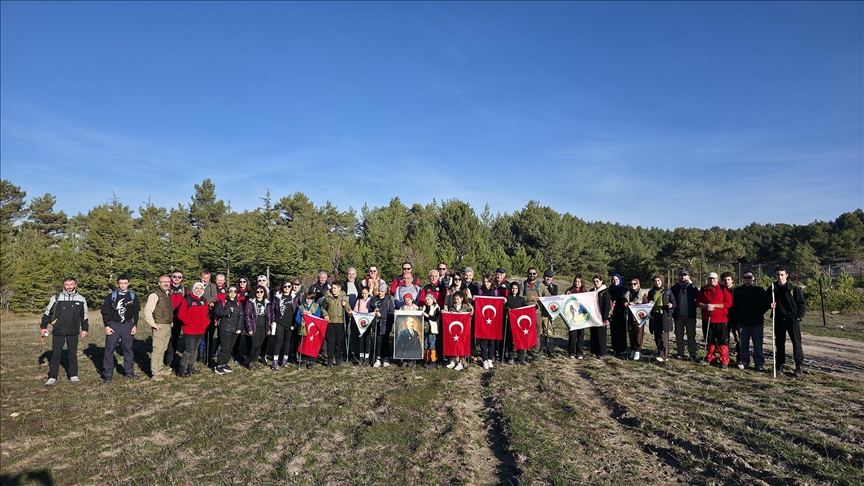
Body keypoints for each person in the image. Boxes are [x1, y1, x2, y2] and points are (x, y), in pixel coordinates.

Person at [41, 277, 89, 386]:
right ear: (64, 285)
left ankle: (73, 375)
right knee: (56, 354)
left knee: (72, 354)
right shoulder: (56, 298)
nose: (69, 287)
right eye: (67, 284)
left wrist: (84, 328)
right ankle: (52, 376)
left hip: (73, 331)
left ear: (75, 285)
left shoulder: (81, 299)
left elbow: (84, 315)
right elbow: (47, 312)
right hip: (58, 330)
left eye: (71, 284)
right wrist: (43, 326)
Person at [101, 274, 141, 382]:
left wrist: (135, 325)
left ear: (129, 283)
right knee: (109, 349)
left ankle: (129, 372)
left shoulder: (133, 296)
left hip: (128, 325)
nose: (123, 285)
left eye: (125, 283)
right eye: (121, 283)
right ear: (118, 283)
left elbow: (136, 312)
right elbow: (104, 312)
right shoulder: (112, 296)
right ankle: (108, 375)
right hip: (114, 325)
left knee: (128, 349)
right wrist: (106, 326)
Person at [769, 265, 807, 377]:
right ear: (775, 275)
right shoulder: (772, 288)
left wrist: (798, 317)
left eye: (782, 274)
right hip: (778, 319)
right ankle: (779, 364)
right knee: (779, 343)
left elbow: (802, 304)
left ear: (786, 275)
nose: (780, 277)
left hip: (792, 320)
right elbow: (765, 301)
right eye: (777, 275)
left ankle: (799, 366)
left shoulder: (793, 289)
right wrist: (769, 305)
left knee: (796, 343)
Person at [729, 271, 768, 371]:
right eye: (745, 277)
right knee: (743, 343)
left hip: (756, 322)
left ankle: (759, 363)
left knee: (757, 344)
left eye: (749, 277)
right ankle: (744, 361)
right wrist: (735, 319)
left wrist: (760, 312)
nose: (747, 279)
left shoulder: (759, 290)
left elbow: (766, 303)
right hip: (742, 322)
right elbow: (735, 306)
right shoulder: (738, 290)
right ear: (743, 279)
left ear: (753, 278)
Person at [696, 272, 733, 369]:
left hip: (721, 320)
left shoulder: (723, 289)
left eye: (714, 279)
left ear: (717, 279)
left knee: (722, 341)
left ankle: (724, 360)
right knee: (710, 340)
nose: (712, 280)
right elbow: (698, 302)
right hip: (707, 319)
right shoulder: (703, 290)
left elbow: (728, 303)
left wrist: (714, 305)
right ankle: (710, 357)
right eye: (710, 279)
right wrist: (705, 306)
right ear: (707, 280)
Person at [143, 275, 173, 380]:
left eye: (167, 282)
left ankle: (160, 368)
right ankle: (155, 372)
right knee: (157, 349)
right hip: (159, 326)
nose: (166, 284)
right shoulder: (155, 295)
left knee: (163, 348)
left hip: (167, 325)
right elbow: (147, 311)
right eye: (163, 282)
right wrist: (153, 324)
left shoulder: (167, 294)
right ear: (158, 283)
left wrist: (171, 321)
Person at [177, 282, 210, 378]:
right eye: (197, 288)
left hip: (201, 330)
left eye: (200, 288)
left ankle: (191, 366)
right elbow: (181, 314)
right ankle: (182, 369)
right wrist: (190, 323)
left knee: (195, 350)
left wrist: (206, 323)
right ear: (193, 289)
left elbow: (207, 315)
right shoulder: (188, 300)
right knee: (189, 349)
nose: (198, 290)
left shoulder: (204, 300)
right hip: (190, 330)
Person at [321, 281, 352, 367]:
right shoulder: (328, 297)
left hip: (340, 322)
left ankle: (338, 358)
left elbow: (348, 309)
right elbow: (323, 308)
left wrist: (346, 306)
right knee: (330, 342)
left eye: (335, 288)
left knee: (338, 342)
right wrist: (325, 314)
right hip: (330, 322)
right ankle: (330, 359)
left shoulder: (343, 297)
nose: (333, 289)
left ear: (339, 288)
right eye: (332, 288)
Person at [523, 267, 552, 358]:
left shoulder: (541, 286)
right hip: (525, 313)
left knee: (537, 332)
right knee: (525, 332)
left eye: (534, 273)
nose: (532, 275)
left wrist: (542, 299)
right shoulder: (522, 285)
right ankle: (524, 351)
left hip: (537, 312)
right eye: (530, 273)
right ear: (527, 274)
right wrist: (528, 299)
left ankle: (535, 352)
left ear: (536, 274)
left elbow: (548, 297)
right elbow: (518, 297)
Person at [213, 286, 243, 374]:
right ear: (227, 293)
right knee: (225, 348)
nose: (233, 293)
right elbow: (217, 312)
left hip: (235, 329)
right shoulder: (222, 302)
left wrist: (239, 327)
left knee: (230, 348)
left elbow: (241, 316)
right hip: (225, 328)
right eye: (231, 291)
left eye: (235, 291)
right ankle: (219, 365)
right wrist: (227, 311)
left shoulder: (239, 303)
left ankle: (224, 364)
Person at [671, 270, 700, 362]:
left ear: (689, 277)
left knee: (691, 335)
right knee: (679, 335)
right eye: (681, 275)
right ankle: (680, 352)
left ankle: (692, 353)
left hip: (690, 315)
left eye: (685, 275)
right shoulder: (675, 288)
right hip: (678, 315)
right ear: (679, 277)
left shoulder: (693, 287)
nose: (683, 277)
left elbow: (698, 297)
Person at [647, 275, 676, 362]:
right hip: (655, 316)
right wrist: (649, 302)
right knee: (657, 336)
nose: (657, 282)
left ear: (662, 281)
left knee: (664, 337)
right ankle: (660, 352)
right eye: (655, 281)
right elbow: (648, 303)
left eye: (659, 281)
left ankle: (664, 356)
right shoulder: (651, 292)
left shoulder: (667, 291)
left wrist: (671, 305)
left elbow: (674, 303)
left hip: (664, 316)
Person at [244, 286, 273, 369]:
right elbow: (247, 316)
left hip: (263, 326)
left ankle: (255, 361)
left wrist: (269, 328)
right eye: (257, 292)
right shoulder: (251, 302)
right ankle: (250, 361)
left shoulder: (267, 302)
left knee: (260, 345)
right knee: (255, 345)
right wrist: (249, 328)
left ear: (264, 293)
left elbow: (269, 316)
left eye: (261, 292)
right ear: (255, 293)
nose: (259, 293)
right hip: (254, 326)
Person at [271, 280, 298, 369]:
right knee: (278, 340)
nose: (287, 288)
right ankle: (275, 361)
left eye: (289, 286)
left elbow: (297, 309)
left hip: (290, 322)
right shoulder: (278, 296)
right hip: (279, 322)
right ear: (282, 287)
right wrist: (273, 320)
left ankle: (284, 360)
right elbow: (273, 309)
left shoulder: (294, 297)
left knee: (288, 342)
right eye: (285, 286)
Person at [445, 291, 473, 370]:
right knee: (453, 344)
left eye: (458, 299)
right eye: (455, 299)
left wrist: (464, 312)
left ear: (461, 299)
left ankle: (461, 362)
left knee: (461, 345)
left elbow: (470, 312)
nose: (456, 301)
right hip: (454, 330)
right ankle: (453, 361)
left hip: (463, 331)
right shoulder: (452, 307)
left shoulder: (465, 306)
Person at [370, 283, 395, 367]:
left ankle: (386, 358)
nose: (380, 293)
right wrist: (374, 312)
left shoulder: (389, 300)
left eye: (382, 291)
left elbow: (391, 313)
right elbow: (370, 311)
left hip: (385, 324)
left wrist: (382, 315)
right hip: (376, 324)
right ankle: (378, 358)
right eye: (379, 291)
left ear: (385, 292)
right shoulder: (374, 300)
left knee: (385, 341)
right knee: (378, 341)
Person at [165, 271, 186, 368]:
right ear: (171, 277)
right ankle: (164, 358)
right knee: (166, 338)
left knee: (175, 339)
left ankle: (171, 359)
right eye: (175, 276)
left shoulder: (184, 289)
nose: (177, 278)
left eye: (179, 277)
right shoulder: (166, 287)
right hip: (167, 317)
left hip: (178, 318)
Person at [296, 291, 322, 369]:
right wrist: (300, 322)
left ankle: (311, 360)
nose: (308, 300)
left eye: (310, 299)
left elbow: (318, 316)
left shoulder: (316, 306)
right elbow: (297, 317)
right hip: (304, 329)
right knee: (303, 344)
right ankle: (303, 359)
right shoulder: (301, 307)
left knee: (312, 345)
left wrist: (311, 314)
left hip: (313, 330)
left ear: (313, 299)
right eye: (307, 299)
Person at [505, 282, 529, 365]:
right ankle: (511, 356)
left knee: (520, 340)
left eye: (515, 288)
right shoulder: (507, 298)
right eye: (512, 288)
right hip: (509, 323)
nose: (514, 290)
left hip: (519, 324)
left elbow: (526, 308)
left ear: (518, 289)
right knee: (510, 340)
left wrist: (533, 308)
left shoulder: (521, 299)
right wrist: (506, 310)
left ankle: (521, 357)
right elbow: (503, 307)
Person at [626, 278, 649, 360]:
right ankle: (632, 349)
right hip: (630, 317)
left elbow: (646, 305)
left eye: (635, 284)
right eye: (631, 284)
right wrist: (625, 303)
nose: (633, 285)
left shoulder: (642, 294)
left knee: (638, 335)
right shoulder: (628, 293)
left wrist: (634, 304)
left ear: (638, 284)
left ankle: (638, 351)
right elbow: (623, 303)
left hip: (639, 317)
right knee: (631, 334)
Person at [564, 275, 587, 359]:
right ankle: (571, 352)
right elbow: (565, 302)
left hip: (581, 316)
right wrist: (566, 295)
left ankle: (579, 352)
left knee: (580, 335)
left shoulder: (584, 292)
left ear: (581, 283)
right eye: (576, 281)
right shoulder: (570, 290)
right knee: (573, 335)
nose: (577, 283)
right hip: (572, 316)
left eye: (579, 282)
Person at [720, 271, 740, 364]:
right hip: (724, 317)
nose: (727, 281)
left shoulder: (737, 290)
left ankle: (740, 358)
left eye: (728, 279)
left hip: (736, 317)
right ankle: (725, 357)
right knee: (724, 338)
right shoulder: (720, 290)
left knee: (738, 338)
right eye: (725, 280)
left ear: (732, 280)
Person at [590, 275, 612, 359]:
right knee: (593, 334)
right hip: (593, 316)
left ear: (601, 281)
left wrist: (605, 318)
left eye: (597, 281)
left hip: (601, 316)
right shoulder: (592, 291)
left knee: (601, 335)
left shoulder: (605, 292)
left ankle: (602, 352)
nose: (596, 283)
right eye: (594, 281)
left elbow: (607, 306)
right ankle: (594, 351)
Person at [608, 274, 628, 358]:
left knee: (622, 331)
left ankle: (622, 348)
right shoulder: (610, 289)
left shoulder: (624, 289)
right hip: (613, 312)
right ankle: (615, 348)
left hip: (621, 312)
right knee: (614, 331)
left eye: (616, 279)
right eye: (613, 279)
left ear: (620, 280)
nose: (615, 281)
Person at [353, 286, 373, 364]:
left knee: (367, 339)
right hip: (360, 323)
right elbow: (355, 310)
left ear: (368, 293)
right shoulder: (358, 301)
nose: (364, 295)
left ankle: (367, 357)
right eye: (362, 293)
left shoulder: (371, 301)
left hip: (368, 322)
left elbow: (372, 309)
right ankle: (361, 356)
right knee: (361, 340)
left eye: (365, 293)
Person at [421, 293, 441, 368]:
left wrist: (427, 316)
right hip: (425, 329)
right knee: (426, 345)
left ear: (432, 300)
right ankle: (426, 359)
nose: (427, 301)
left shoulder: (436, 308)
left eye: (428, 300)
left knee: (432, 345)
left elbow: (435, 318)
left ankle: (433, 361)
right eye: (426, 300)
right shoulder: (424, 307)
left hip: (433, 330)